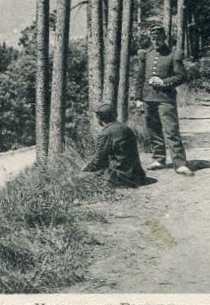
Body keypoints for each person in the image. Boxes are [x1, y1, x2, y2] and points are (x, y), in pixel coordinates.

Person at [134, 24, 194, 177]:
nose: (156, 41)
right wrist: (138, 98)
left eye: (159, 38)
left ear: (165, 37)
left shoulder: (173, 55)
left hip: (165, 99)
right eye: (153, 38)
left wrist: (164, 82)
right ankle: (159, 159)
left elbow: (182, 76)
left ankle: (180, 163)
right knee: (153, 130)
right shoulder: (146, 55)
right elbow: (140, 78)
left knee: (171, 131)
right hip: (148, 99)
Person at [83, 104, 147, 188]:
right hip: (139, 175)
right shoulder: (125, 128)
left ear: (100, 118)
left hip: (122, 177)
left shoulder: (105, 134)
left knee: (81, 180)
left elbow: (98, 160)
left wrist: (86, 170)